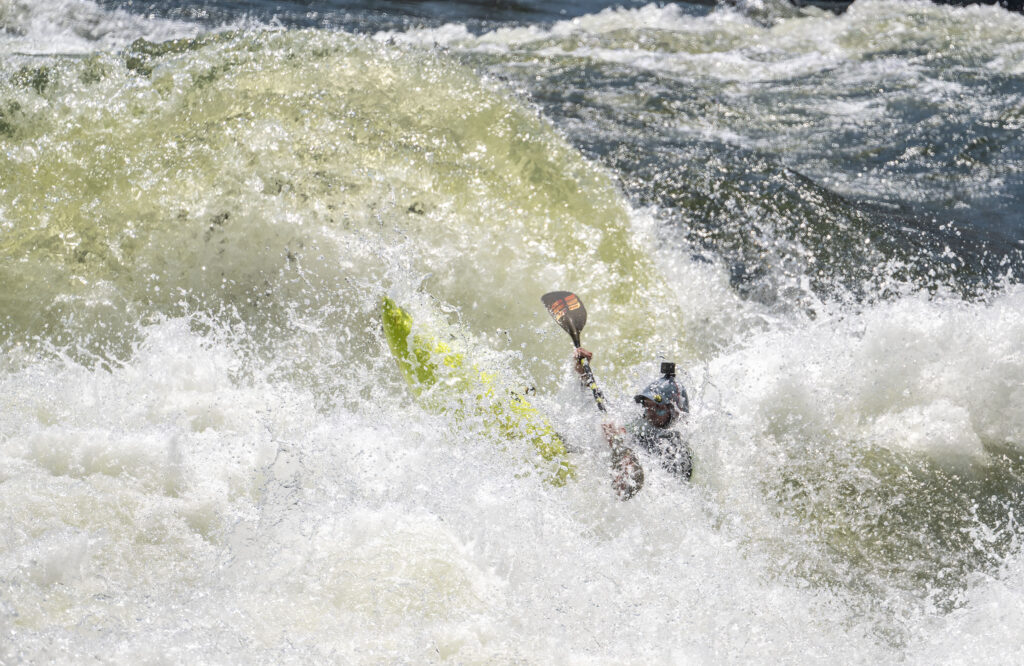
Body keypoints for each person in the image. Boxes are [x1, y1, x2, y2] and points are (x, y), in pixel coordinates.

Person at [575, 349, 693, 481]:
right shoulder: (639, 424)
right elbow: (600, 404)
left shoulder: (677, 451)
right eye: (648, 406)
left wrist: (618, 446)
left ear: (677, 413)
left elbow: (659, 485)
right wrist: (584, 374)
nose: (651, 414)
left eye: (659, 408)